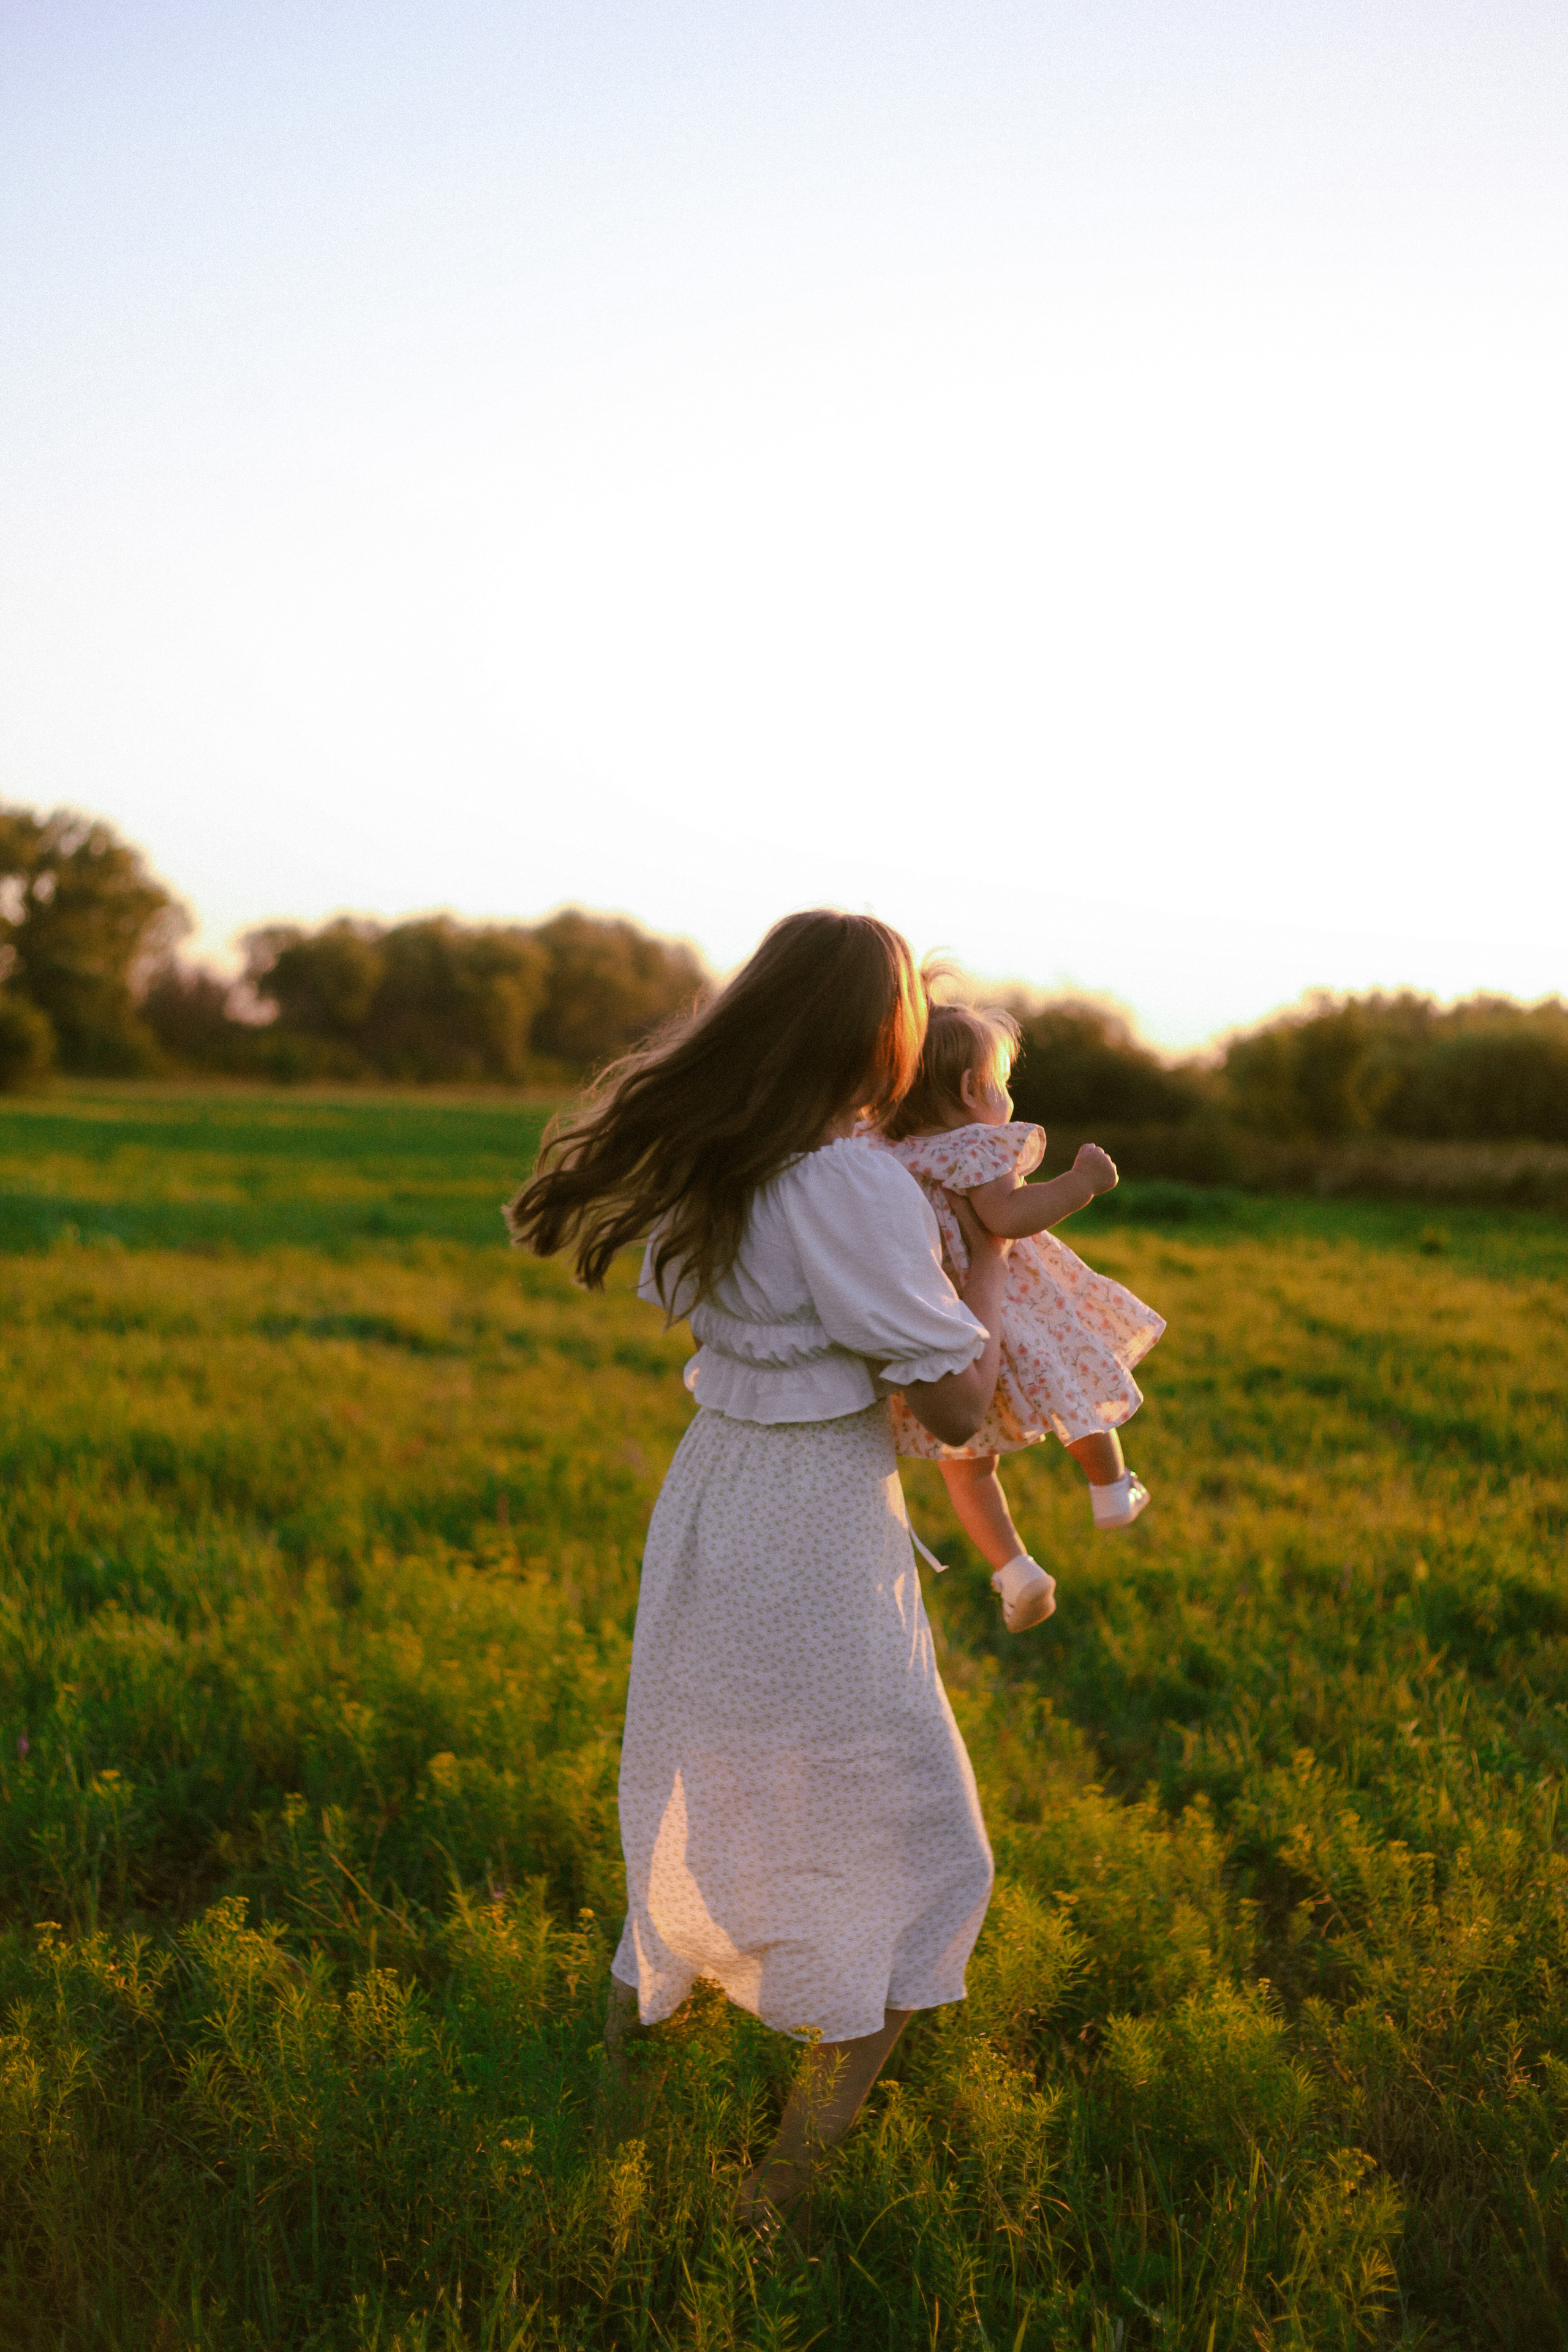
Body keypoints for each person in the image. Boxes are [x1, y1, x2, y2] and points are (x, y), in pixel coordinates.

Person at [505, 911, 1028, 2230]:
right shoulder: (846, 1182)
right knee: (923, 1838)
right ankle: (778, 2190)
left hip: (716, 1490)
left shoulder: (719, 1153)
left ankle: (617, 2119)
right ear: (879, 1029)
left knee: (704, 1789)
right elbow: (961, 1409)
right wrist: (994, 1254)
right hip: (809, 1514)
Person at [880, 1001, 1165, 1629]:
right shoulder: (976, 1147)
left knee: (968, 1465)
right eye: (1002, 1084)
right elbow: (1006, 1218)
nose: (1006, 1098)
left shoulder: (888, 1153)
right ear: (969, 1089)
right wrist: (1081, 1183)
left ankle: (1015, 1570)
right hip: (1008, 1304)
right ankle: (1111, 1490)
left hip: (944, 1323)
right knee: (1073, 1388)